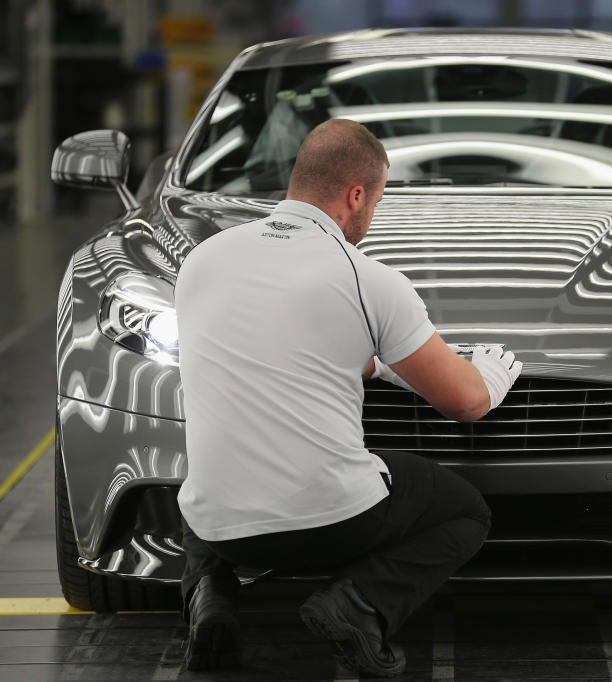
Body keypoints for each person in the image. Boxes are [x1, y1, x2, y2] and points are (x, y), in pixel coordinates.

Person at [173, 118, 522, 676]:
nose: (373, 214)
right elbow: (465, 403)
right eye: (377, 199)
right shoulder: (365, 278)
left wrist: (368, 360)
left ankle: (208, 596)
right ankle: (358, 605)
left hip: (219, 531)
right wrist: (491, 372)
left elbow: (273, 342)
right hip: (330, 524)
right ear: (355, 195)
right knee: (465, 510)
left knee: (209, 478)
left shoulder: (202, 261)